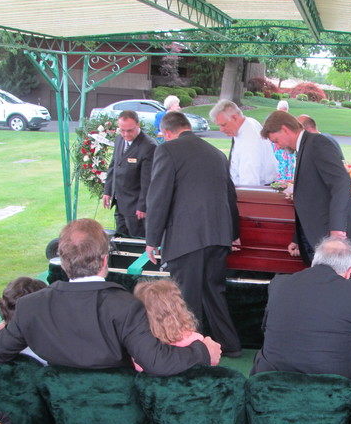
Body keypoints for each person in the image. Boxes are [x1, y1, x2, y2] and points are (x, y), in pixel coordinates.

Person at [0, 218, 220, 372]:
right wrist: (202, 352)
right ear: (105, 260)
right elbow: (157, 362)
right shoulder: (127, 306)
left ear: (63, 263)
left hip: (59, 415)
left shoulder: (31, 306)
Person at [145, 112, 243, 358]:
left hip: (186, 238)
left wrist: (152, 240)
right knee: (214, 293)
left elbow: (158, 198)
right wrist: (233, 233)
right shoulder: (216, 153)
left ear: (167, 132)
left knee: (186, 297)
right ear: (187, 127)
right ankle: (229, 345)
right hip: (219, 236)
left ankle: (193, 352)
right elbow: (230, 197)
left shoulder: (167, 150)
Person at [251, 237, 351, 393]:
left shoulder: (279, 283)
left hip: (269, 384)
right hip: (334, 391)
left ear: (314, 261)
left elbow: (265, 328)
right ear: (349, 271)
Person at [260, 111, 351, 265]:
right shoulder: (305, 146)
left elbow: (341, 182)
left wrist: (336, 231)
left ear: (285, 129)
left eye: (276, 140)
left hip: (329, 237)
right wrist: (298, 237)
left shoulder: (317, 143)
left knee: (328, 286)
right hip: (316, 235)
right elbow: (310, 195)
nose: (277, 146)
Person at [102, 110, 156, 238]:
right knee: (121, 237)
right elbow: (113, 166)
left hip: (136, 206)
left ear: (138, 125)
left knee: (136, 241)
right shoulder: (119, 139)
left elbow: (148, 181)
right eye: (122, 130)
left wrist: (143, 206)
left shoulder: (149, 146)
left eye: (130, 130)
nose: (126, 134)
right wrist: (108, 191)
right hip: (120, 202)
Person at [210, 100, 277, 186]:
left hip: (252, 191)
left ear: (235, 118)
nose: (221, 130)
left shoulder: (249, 141)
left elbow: (249, 182)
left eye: (223, 125)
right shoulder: (248, 123)